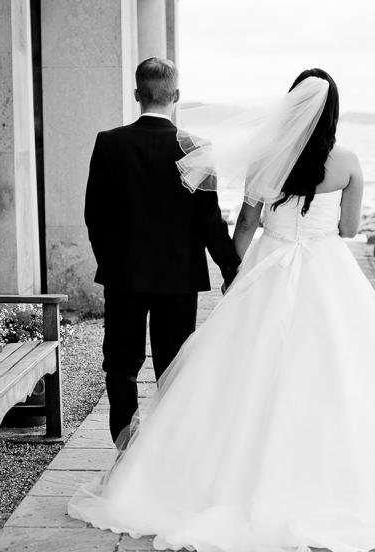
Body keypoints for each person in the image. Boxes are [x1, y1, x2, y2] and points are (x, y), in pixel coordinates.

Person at [69, 68, 375, 552]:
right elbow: (350, 229)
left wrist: (236, 274)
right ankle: (320, 472)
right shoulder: (348, 163)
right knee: (334, 371)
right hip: (322, 271)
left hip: (258, 268)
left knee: (214, 368)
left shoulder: (264, 159)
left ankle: (153, 458)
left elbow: (242, 222)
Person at [84, 57, 241, 442]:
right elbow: (210, 221)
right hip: (178, 278)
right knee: (173, 367)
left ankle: (125, 450)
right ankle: (165, 455)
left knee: (121, 365)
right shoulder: (196, 148)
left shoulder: (109, 143)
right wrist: (232, 269)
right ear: (176, 96)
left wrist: (112, 262)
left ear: (137, 94)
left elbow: (94, 215)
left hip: (124, 277)